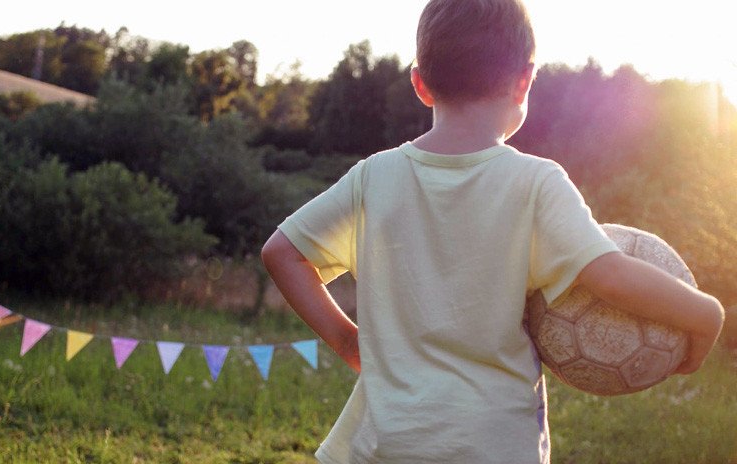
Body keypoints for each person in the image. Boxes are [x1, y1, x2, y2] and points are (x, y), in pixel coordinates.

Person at [261, 0, 725, 462]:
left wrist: (346, 339)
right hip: (492, 445)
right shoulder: (536, 182)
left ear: (420, 83)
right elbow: (609, 275)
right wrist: (706, 315)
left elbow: (282, 252)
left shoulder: (374, 177)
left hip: (386, 443)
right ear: (525, 79)